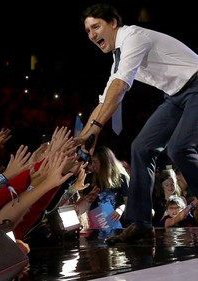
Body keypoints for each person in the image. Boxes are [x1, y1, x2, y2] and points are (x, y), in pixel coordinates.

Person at [75, 3, 198, 244]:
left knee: (179, 148)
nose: (92, 35)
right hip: (175, 97)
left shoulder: (134, 37)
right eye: (88, 31)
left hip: (196, 85)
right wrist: (86, 138)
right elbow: (105, 101)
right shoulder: (117, 57)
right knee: (140, 147)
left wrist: (94, 131)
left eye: (96, 27)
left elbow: (119, 88)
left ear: (113, 23)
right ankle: (142, 224)